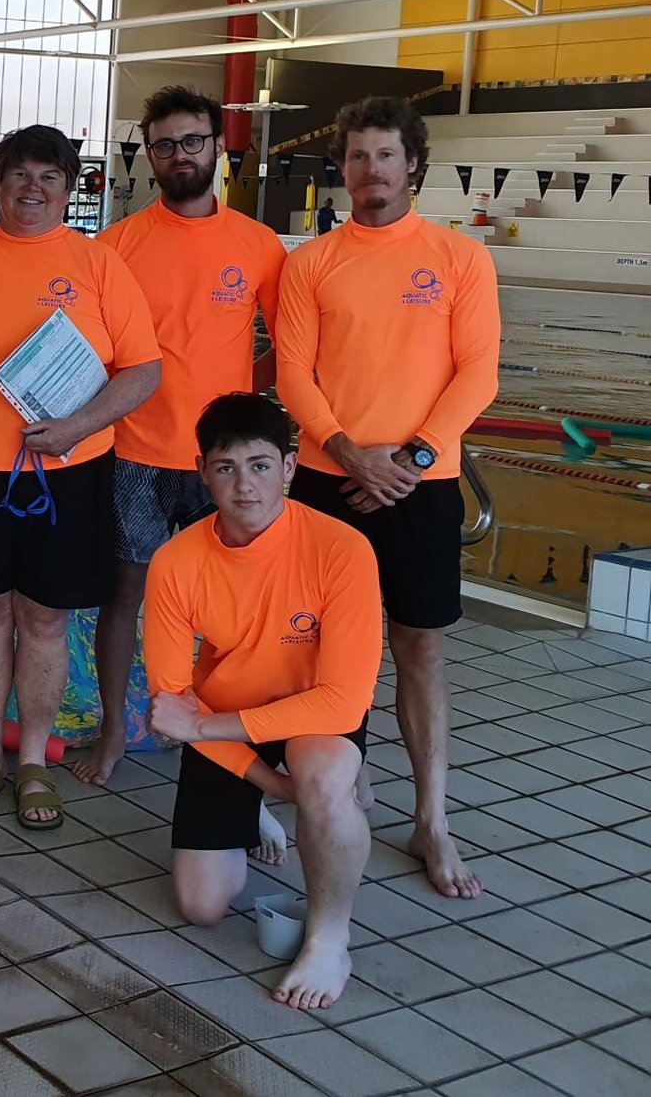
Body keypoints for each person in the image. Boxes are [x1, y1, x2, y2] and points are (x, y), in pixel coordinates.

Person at [276, 95, 499, 900]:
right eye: (359, 156)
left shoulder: (458, 258)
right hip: (331, 481)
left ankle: (432, 819)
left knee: (420, 649)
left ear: (414, 165)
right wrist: (347, 454)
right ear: (344, 168)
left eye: (386, 155)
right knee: (316, 644)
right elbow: (291, 374)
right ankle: (338, 787)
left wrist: (409, 458)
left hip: (422, 483)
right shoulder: (312, 262)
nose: (372, 170)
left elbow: (478, 371)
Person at [0, 125, 161, 830]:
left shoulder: (96, 264)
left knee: (44, 618)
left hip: (67, 470)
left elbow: (144, 369)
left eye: (49, 177)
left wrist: (77, 426)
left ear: (71, 188)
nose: (32, 189)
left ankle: (32, 756)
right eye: (18, 175)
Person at [79, 87, 287, 800]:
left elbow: (287, 350)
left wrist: (239, 399)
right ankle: (115, 729)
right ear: (149, 153)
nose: (179, 155)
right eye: (164, 144)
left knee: (233, 611)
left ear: (218, 147)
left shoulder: (257, 245)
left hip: (219, 464)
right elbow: (92, 351)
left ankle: (227, 741)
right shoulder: (117, 246)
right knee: (124, 597)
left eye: (192, 140)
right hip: (135, 450)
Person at [143, 393, 382, 1012]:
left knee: (326, 780)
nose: (244, 485)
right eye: (225, 468)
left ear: (291, 468)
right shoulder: (175, 562)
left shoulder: (342, 549)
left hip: (307, 716)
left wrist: (205, 725)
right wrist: (269, 787)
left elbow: (344, 701)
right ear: (201, 471)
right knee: (202, 908)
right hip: (224, 727)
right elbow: (172, 703)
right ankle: (259, 808)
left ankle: (331, 939)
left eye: (259, 465)